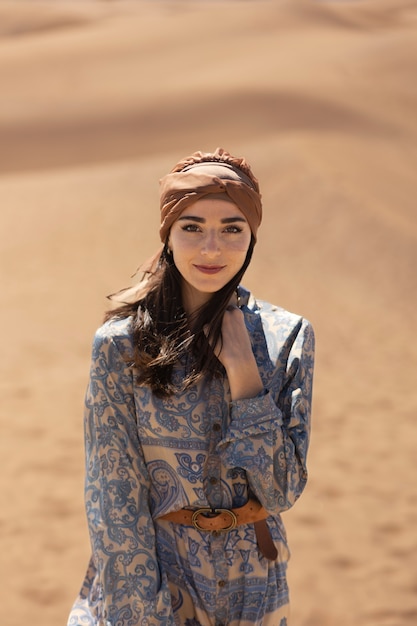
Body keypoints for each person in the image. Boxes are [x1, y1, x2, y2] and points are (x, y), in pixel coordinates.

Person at [68, 147, 315, 626]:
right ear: (167, 235)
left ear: (252, 237)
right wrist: (142, 614)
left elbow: (282, 491)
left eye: (231, 229)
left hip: (256, 587)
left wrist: (246, 377)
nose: (211, 249)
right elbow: (113, 499)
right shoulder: (120, 346)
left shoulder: (288, 337)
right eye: (192, 227)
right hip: (156, 579)